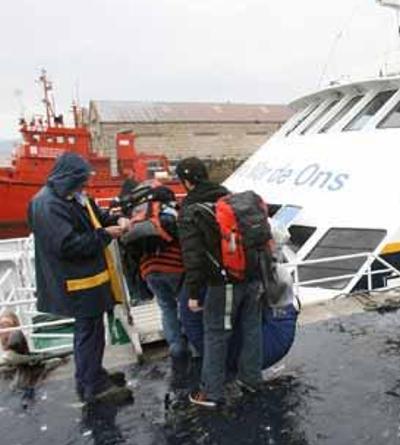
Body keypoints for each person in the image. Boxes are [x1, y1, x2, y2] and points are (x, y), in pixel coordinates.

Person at [27, 152, 132, 405]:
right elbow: (67, 246)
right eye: (81, 180)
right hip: (76, 282)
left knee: (92, 330)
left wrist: (117, 219)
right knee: (89, 331)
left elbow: (96, 219)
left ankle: (90, 374)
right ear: (69, 178)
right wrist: (106, 235)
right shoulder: (47, 204)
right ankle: (93, 386)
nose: (85, 185)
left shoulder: (72, 196)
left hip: (89, 279)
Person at [176, 157, 263, 408]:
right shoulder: (231, 199)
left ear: (186, 182)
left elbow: (192, 257)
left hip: (224, 282)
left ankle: (212, 392)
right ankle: (252, 380)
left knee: (216, 334)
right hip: (254, 275)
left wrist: (193, 294)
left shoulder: (190, 210)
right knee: (251, 328)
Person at [122, 184, 187, 358]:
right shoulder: (171, 213)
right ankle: (193, 344)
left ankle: (175, 347)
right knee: (186, 306)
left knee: (167, 308)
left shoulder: (140, 217)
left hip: (149, 271)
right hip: (174, 267)